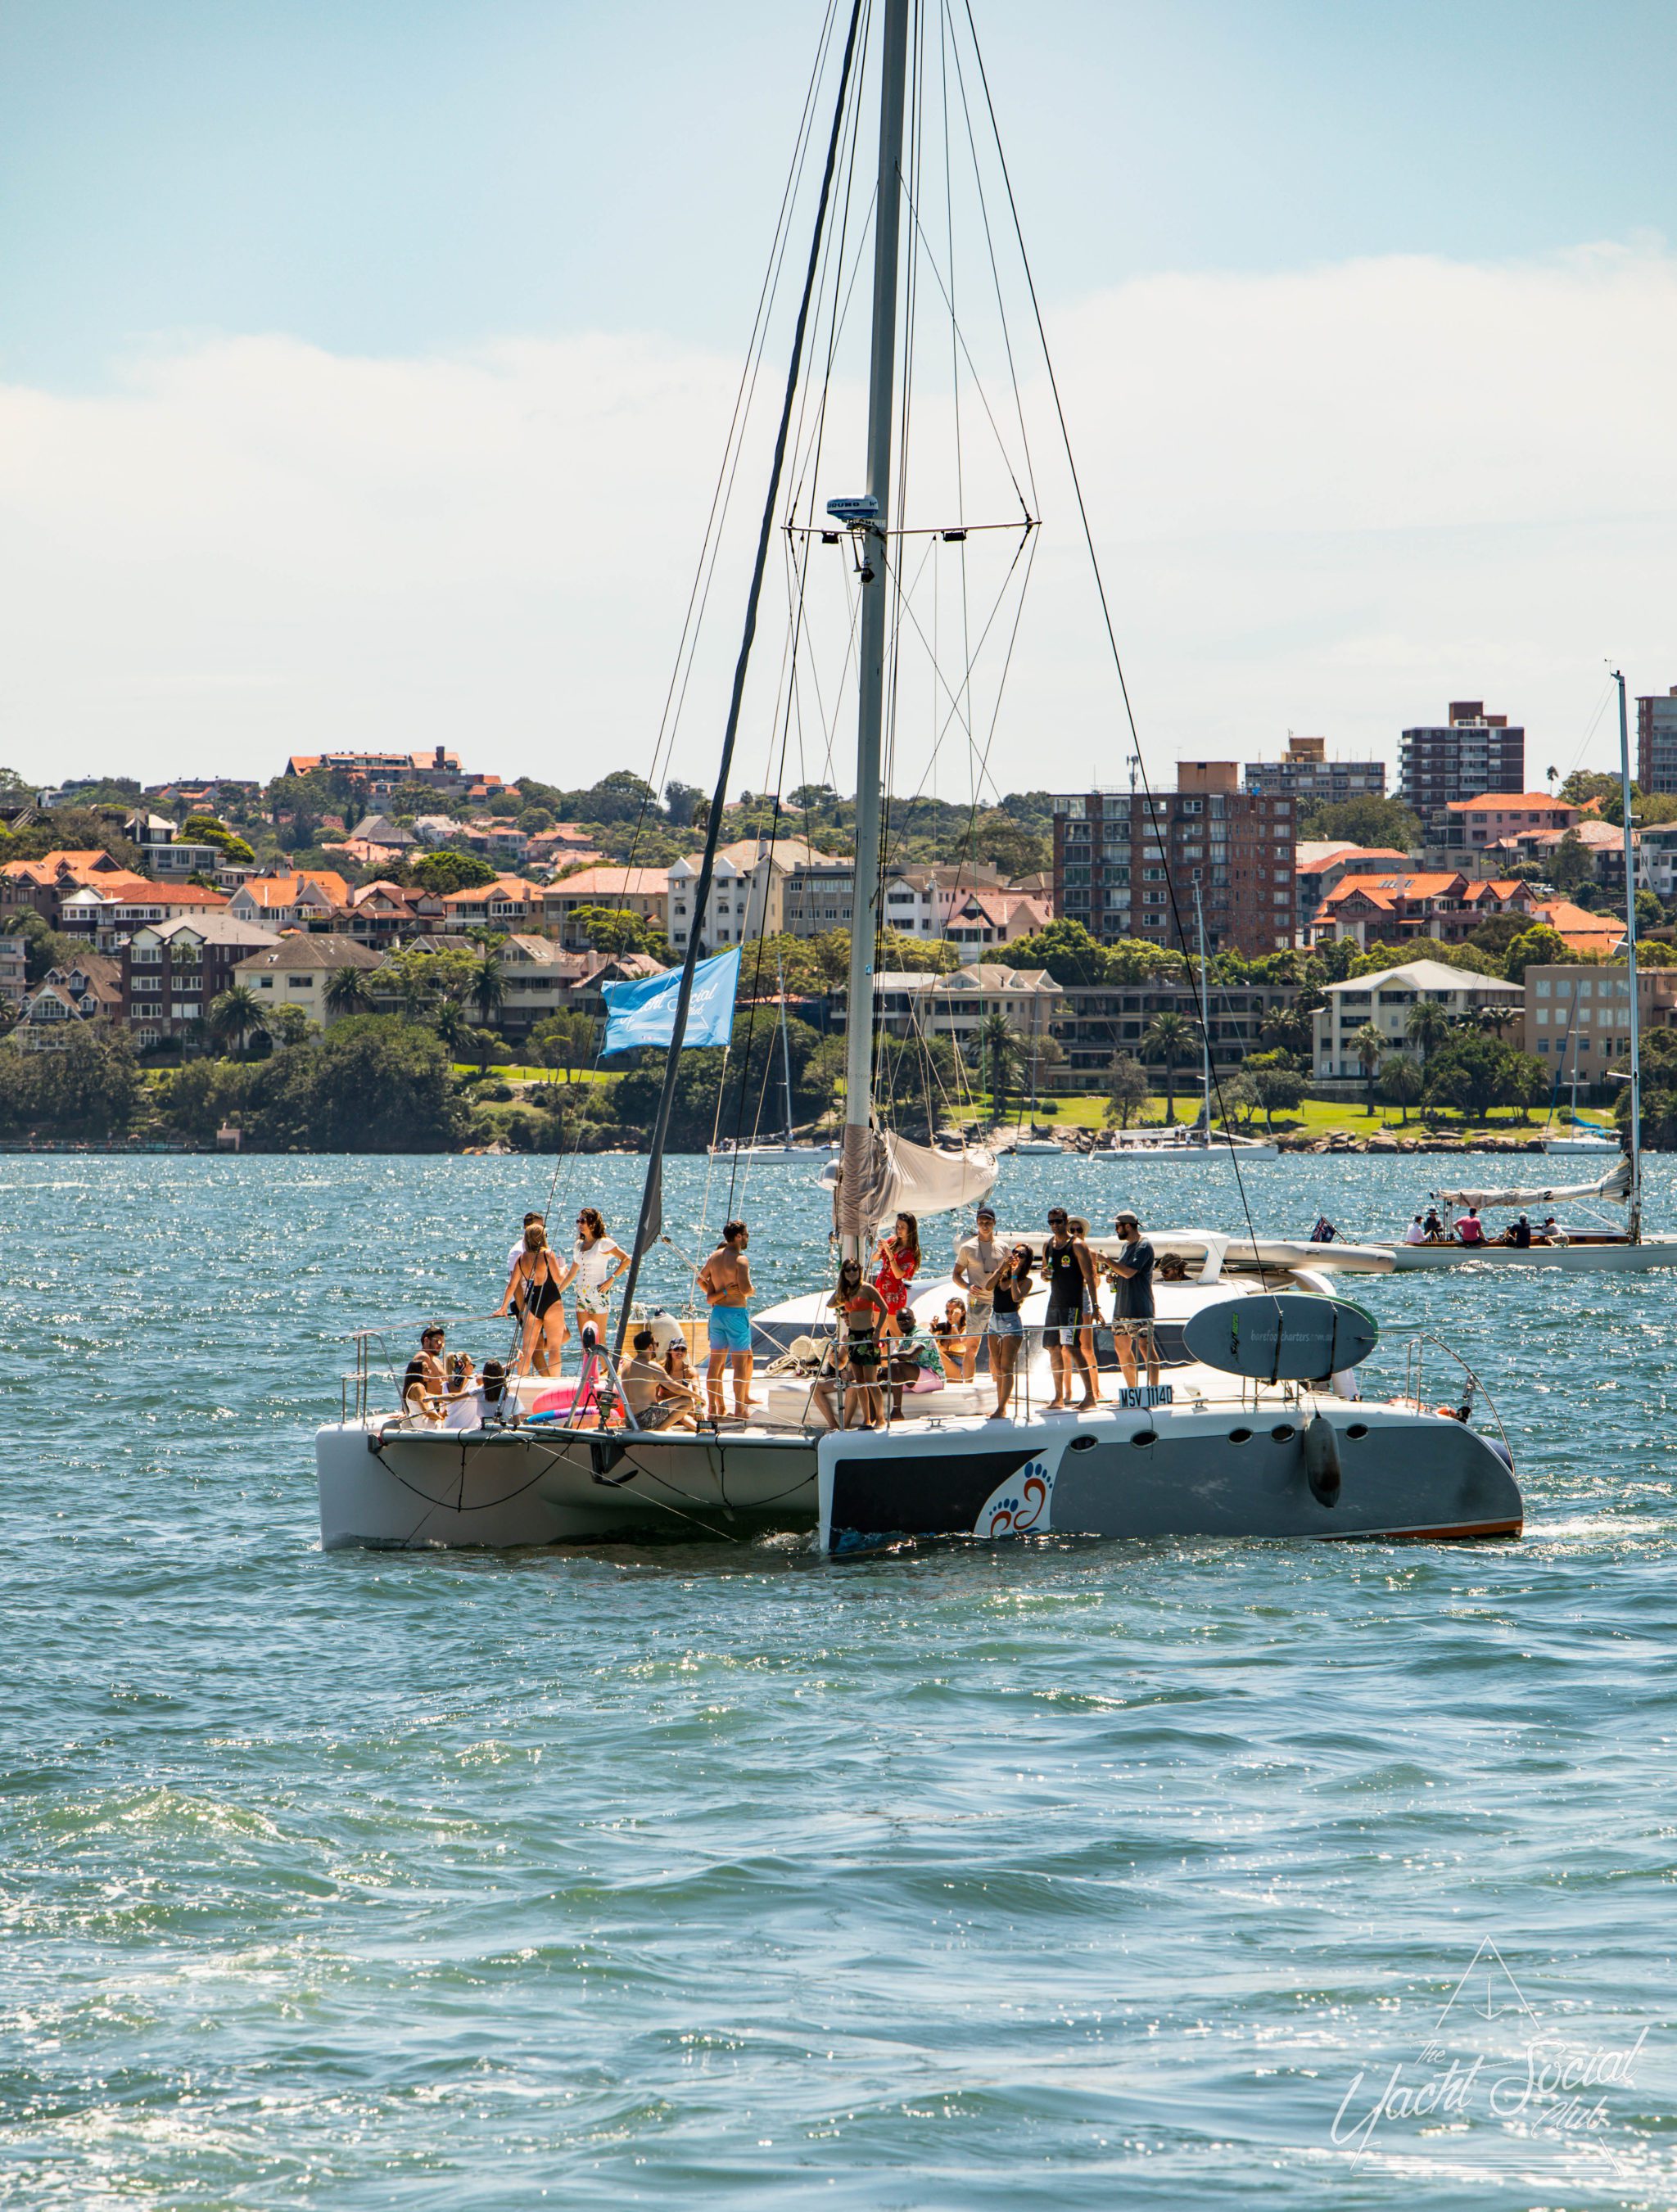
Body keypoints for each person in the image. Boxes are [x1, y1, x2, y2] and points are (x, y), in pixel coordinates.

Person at [1041, 1206, 1101, 1411]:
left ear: (1066, 1222)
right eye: (1051, 1222)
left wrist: (1095, 1306)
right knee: (1053, 1347)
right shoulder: (1048, 1244)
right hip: (1054, 1303)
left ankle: (1090, 1396)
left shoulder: (1077, 1245)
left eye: (1058, 1221)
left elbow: (1090, 1277)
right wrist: (1044, 1274)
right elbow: (1044, 1273)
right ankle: (1058, 1397)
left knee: (1073, 1347)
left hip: (1071, 1305)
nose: (1055, 1226)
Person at [698, 1219, 754, 1422]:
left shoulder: (714, 1257)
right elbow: (746, 1289)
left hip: (718, 1314)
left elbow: (700, 1279)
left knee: (715, 1365)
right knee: (739, 1365)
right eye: (746, 1235)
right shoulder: (741, 1260)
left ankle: (713, 1409)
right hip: (735, 1314)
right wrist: (752, 1291)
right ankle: (740, 1410)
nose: (747, 1238)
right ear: (738, 1236)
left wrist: (718, 1294)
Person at [498, 1222, 567, 1379]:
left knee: (527, 1350)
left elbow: (512, 1285)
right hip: (551, 1300)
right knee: (555, 1349)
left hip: (533, 1300)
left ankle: (524, 1382)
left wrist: (503, 1307)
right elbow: (558, 1278)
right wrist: (564, 1269)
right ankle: (555, 1382)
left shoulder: (522, 1258)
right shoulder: (547, 1254)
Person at [828, 1257, 888, 1429]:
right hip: (853, 1337)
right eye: (848, 1270)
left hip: (868, 1336)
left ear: (859, 1271)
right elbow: (830, 1304)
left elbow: (884, 1308)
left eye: (855, 1269)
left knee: (871, 1380)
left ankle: (881, 1418)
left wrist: (877, 1332)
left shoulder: (867, 1288)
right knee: (860, 1381)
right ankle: (867, 1419)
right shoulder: (846, 1292)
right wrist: (841, 1285)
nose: (852, 1273)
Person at [1103, 1211, 1159, 1392]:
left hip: (1139, 1308)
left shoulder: (1144, 1246)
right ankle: (1132, 1391)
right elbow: (1123, 1273)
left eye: (1117, 1226)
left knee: (1145, 1348)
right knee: (1122, 1351)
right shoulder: (1126, 1247)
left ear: (1128, 1226)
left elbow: (1129, 1272)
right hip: (1121, 1308)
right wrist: (1113, 1277)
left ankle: (1153, 1390)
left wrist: (1106, 1261)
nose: (1116, 1230)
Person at [561, 1207, 629, 1352]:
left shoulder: (604, 1243)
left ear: (592, 1223)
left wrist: (611, 1279)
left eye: (583, 1221)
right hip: (582, 1293)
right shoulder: (578, 1245)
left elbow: (626, 1259)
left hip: (598, 1292)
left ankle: (606, 1372)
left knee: (599, 1339)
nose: (579, 1224)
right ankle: (589, 1373)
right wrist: (558, 1291)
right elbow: (572, 1273)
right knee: (585, 1340)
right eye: (578, 1221)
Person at [952, 1205, 1003, 1379]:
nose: (985, 1225)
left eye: (988, 1222)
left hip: (997, 1303)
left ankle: (997, 1387)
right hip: (977, 1302)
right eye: (981, 1222)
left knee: (995, 1349)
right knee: (972, 1347)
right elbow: (956, 1275)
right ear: (977, 1223)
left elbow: (1009, 1273)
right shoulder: (968, 1248)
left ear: (994, 1223)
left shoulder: (1002, 1247)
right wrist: (967, 1286)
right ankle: (968, 1385)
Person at [985, 1244, 1033, 1421]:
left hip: (1011, 1323)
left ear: (1027, 1260)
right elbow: (988, 1286)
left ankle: (1002, 1407)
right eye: (1015, 1252)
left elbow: (1016, 1297)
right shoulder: (1001, 1275)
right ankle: (1000, 1406)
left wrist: (1014, 1274)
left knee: (1006, 1367)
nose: (1017, 1256)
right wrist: (1002, 1268)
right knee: (997, 1367)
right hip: (994, 1320)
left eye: (1021, 1254)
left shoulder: (1026, 1281)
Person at [621, 1329, 694, 1431]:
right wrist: (698, 1397)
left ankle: (664, 1430)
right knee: (687, 1401)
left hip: (629, 1421)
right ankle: (659, 1431)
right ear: (650, 1347)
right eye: (657, 1344)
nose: (657, 1347)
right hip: (646, 1420)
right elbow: (675, 1388)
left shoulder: (626, 1367)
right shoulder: (652, 1366)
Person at [885, 1311, 946, 1418]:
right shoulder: (905, 1339)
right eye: (900, 1319)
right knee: (876, 1378)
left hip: (934, 1378)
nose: (904, 1322)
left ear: (915, 1320)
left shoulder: (921, 1333)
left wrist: (881, 1358)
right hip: (916, 1380)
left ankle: (897, 1412)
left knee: (896, 1366)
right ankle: (872, 1418)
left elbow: (910, 1354)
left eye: (907, 1318)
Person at [871, 1213, 920, 1339]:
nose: (899, 1229)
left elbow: (898, 1275)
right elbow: (874, 1259)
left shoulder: (910, 1252)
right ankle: (882, 1359)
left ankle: (902, 1355)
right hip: (881, 1290)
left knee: (895, 1331)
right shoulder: (892, 1241)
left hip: (894, 1294)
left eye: (903, 1227)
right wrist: (879, 1250)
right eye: (898, 1226)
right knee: (878, 1331)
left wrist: (889, 1253)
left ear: (910, 1229)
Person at [403, 1324, 448, 1422]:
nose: (441, 1345)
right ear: (426, 1340)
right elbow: (412, 1384)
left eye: (443, 1342)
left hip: (441, 1404)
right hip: (432, 1406)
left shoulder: (435, 1360)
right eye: (438, 1341)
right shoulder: (422, 1358)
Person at [929, 1297, 971, 1382]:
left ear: (962, 1313)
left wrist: (954, 1323)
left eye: (953, 1312)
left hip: (958, 1370)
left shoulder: (967, 1328)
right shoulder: (942, 1328)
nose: (949, 1315)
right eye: (947, 1312)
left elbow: (957, 1344)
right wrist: (931, 1331)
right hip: (941, 1368)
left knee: (935, 1351)